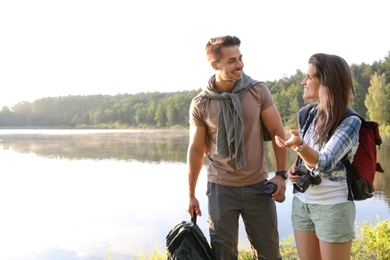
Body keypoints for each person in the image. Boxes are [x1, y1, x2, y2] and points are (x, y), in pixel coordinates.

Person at [187, 35, 287, 259]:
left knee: (269, 254)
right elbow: (195, 150)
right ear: (216, 65)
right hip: (220, 189)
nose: (240, 64)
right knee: (223, 255)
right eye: (232, 60)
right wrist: (191, 195)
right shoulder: (201, 103)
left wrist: (280, 175)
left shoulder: (258, 91)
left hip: (258, 186)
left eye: (240, 58)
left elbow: (278, 133)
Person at [275, 53, 361, 260]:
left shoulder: (350, 121)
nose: (303, 82)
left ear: (326, 82)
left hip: (333, 207)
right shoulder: (307, 114)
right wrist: (295, 170)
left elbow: (325, 162)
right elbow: (309, 160)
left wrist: (300, 146)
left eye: (309, 77)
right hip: (303, 204)